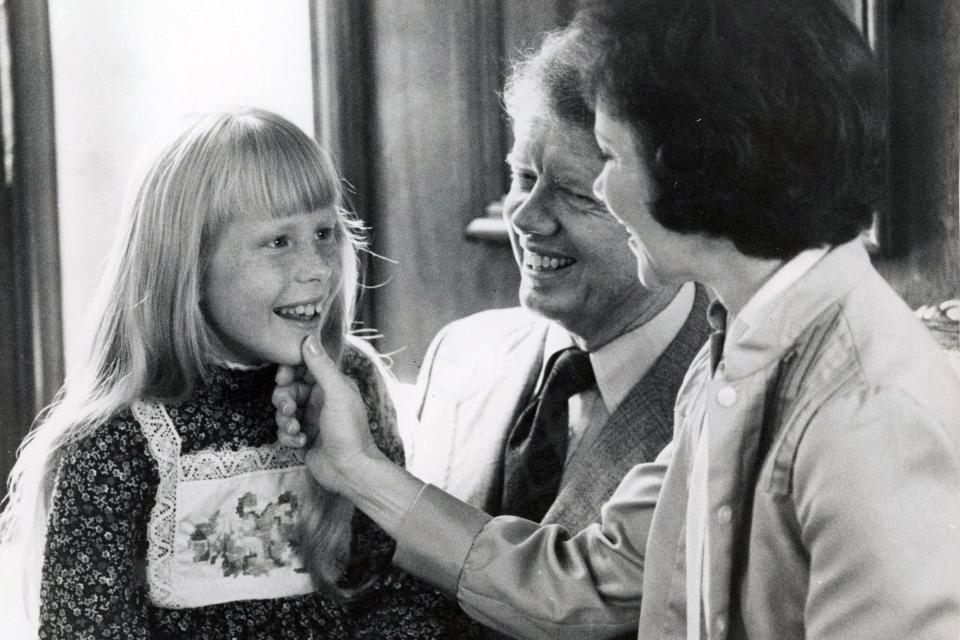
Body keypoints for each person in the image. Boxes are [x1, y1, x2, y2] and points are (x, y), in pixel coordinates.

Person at [274, 1, 960, 638]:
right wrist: (355, 466)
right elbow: (586, 582)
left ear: (701, 171)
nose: (604, 188)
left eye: (609, 163)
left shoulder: (871, 413)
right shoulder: (739, 351)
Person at [0, 108, 480, 639]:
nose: (318, 267)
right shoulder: (119, 439)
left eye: (325, 231)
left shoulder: (352, 386)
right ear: (189, 266)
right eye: (279, 241)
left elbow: (398, 586)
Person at [407, 27, 709, 532]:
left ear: (671, 212)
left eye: (574, 193)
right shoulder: (458, 355)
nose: (525, 219)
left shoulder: (730, 394)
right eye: (524, 178)